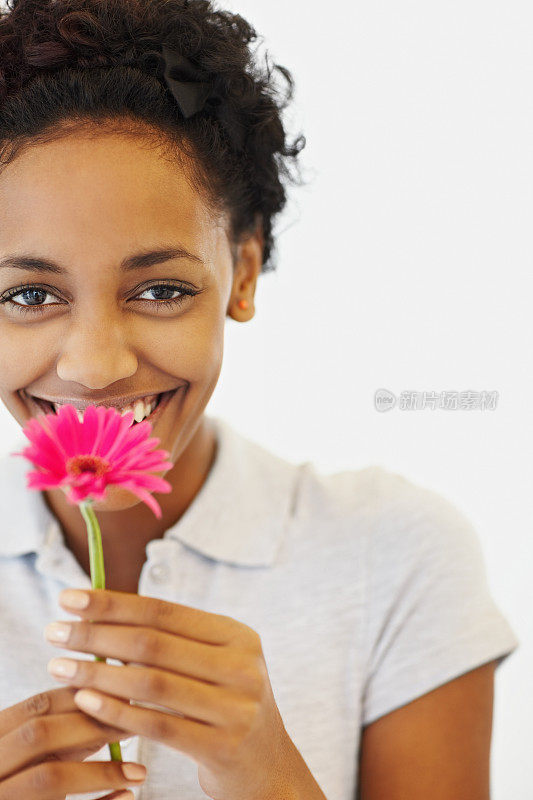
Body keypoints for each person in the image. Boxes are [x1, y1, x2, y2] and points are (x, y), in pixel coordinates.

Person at [0, 1, 519, 799]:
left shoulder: (396, 556)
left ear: (241, 273)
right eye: (31, 296)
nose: (97, 365)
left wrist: (267, 772)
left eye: (161, 289)